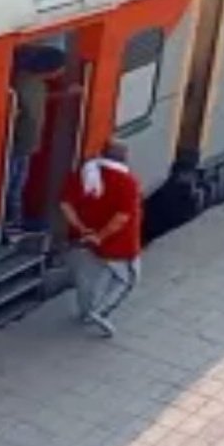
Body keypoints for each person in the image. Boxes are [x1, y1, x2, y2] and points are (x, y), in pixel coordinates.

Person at [60, 140, 143, 339]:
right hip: (119, 245)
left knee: (86, 281)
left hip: (84, 241)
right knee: (127, 280)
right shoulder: (128, 182)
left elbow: (65, 205)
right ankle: (99, 312)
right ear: (124, 158)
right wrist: (99, 236)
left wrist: (82, 229)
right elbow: (121, 218)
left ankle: (85, 313)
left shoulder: (84, 174)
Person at [5, 46, 64, 229]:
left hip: (25, 145)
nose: (61, 72)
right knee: (14, 186)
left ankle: (14, 220)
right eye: (60, 68)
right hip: (17, 146)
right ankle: (14, 223)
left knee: (16, 185)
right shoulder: (22, 85)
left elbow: (39, 100)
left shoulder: (32, 83)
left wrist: (66, 94)